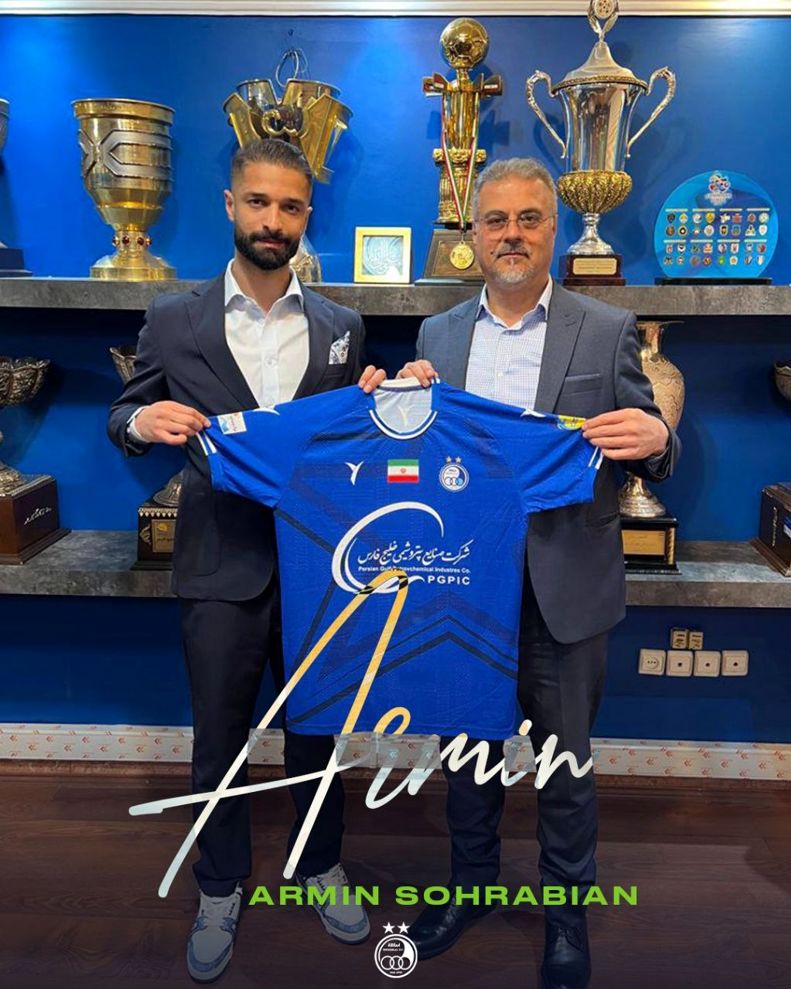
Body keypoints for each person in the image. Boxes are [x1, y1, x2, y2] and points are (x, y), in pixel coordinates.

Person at [397, 157, 680, 989]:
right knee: (465, 756)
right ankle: (469, 886)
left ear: (553, 230)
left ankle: (564, 914)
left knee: (564, 769)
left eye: (528, 218)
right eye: (496, 220)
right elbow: (418, 457)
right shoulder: (437, 337)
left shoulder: (607, 327)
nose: (511, 234)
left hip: (564, 589)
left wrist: (659, 440)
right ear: (474, 234)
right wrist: (401, 406)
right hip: (463, 591)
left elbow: (648, 439)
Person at [108, 138, 385, 983]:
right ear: (231, 206)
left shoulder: (342, 328)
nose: (273, 220)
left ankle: (319, 863)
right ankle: (220, 883)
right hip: (218, 562)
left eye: (289, 206)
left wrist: (380, 409)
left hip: (318, 568)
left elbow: (351, 445)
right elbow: (124, 412)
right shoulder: (172, 319)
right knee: (219, 738)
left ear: (306, 216)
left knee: (317, 731)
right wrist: (140, 423)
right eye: (258, 202)